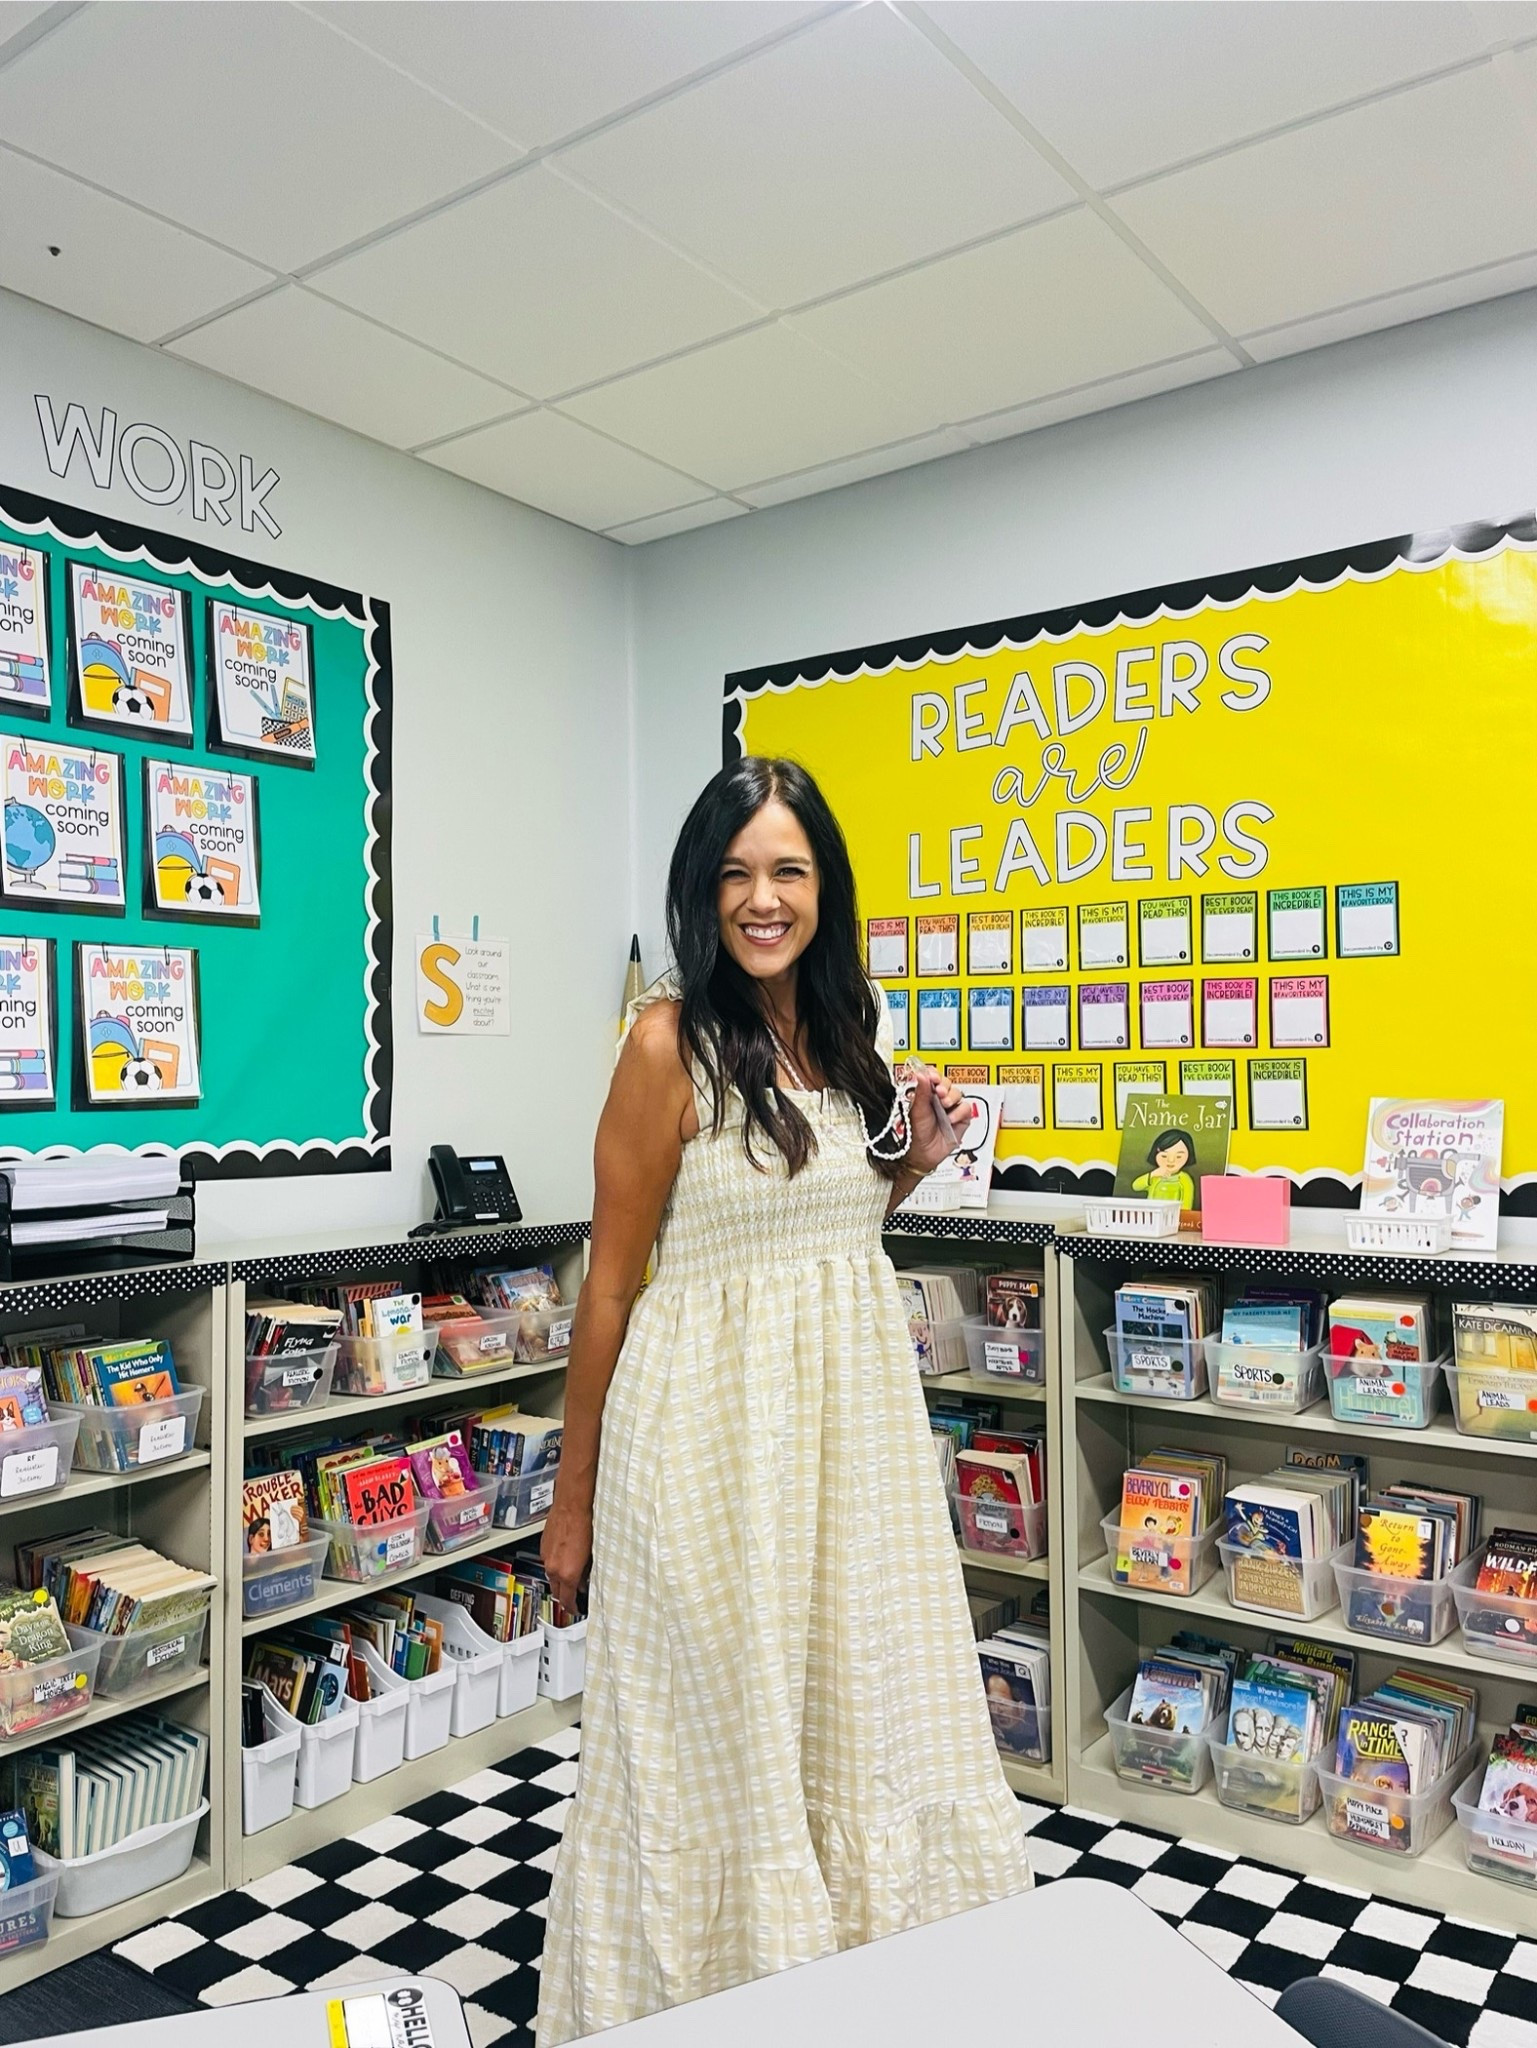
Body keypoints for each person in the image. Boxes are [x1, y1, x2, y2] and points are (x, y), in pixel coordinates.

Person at [535, 757, 1031, 2045]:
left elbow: (824, 1231)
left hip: (844, 1444)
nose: (764, 897)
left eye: (789, 870)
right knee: (714, 1744)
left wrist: (909, 1166)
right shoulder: (666, 1042)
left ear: (826, 886)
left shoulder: (847, 1020)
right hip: (702, 1448)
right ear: (705, 889)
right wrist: (567, 1505)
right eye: (738, 871)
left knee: (857, 1713)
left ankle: (850, 2001)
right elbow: (607, 1287)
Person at [1131, 1129, 1196, 1208]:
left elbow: (1187, 1204)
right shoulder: (1156, 1176)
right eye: (1164, 1156)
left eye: (1178, 1156)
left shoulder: (1185, 1179)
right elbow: (1136, 1186)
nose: (1171, 1161)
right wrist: (1153, 1174)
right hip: (1153, 1216)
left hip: (1173, 1217)